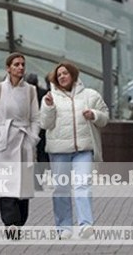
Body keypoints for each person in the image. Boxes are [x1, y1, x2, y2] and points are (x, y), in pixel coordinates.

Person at [40, 61, 109, 239]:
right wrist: (48, 107)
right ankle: (64, 227)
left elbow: (105, 118)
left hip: (83, 150)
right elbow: (45, 124)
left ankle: (86, 224)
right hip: (59, 151)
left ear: (73, 75)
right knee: (61, 189)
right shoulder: (50, 97)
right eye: (59, 75)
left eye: (65, 73)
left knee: (82, 186)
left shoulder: (90, 95)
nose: (62, 77)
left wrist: (94, 115)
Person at [0, 52, 40, 240]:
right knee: (6, 186)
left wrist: (32, 138)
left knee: (21, 187)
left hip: (23, 142)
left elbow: (35, 118)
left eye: (23, 64)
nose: (20, 67)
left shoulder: (30, 90)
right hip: (4, 143)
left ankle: (20, 222)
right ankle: (10, 223)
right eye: (16, 64)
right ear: (8, 68)